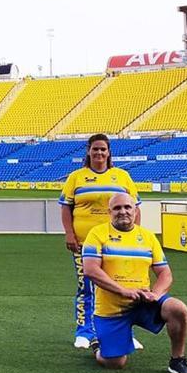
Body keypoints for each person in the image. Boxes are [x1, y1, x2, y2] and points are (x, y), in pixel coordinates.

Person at [82, 193, 187, 373]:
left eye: (127, 207)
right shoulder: (97, 234)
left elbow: (165, 273)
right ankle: (97, 347)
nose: (123, 211)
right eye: (117, 208)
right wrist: (123, 291)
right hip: (112, 309)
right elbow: (90, 270)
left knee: (178, 308)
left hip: (143, 302)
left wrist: (155, 294)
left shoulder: (147, 237)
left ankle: (177, 360)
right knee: (115, 363)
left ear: (135, 210)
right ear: (109, 212)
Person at [59, 134, 141, 350]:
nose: (99, 153)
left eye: (103, 149)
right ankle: (85, 331)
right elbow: (66, 207)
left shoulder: (122, 176)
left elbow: (135, 208)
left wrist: (134, 236)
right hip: (85, 244)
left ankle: (124, 333)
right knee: (86, 287)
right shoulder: (76, 177)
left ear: (109, 152)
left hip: (117, 245)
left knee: (121, 287)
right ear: (88, 151)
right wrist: (69, 233)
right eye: (95, 149)